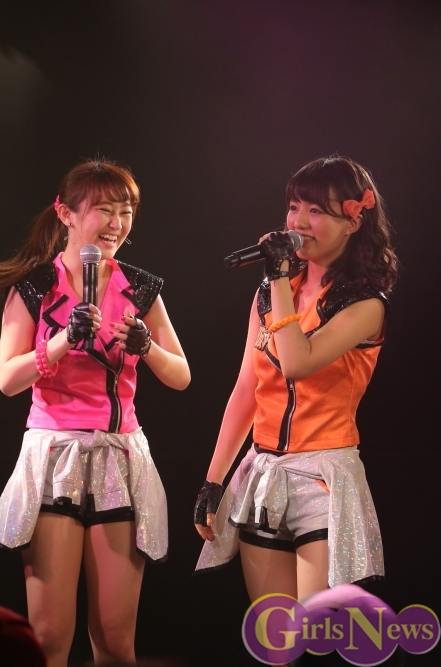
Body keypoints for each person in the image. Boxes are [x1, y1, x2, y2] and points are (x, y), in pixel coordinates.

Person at [0, 159, 190, 666]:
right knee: (49, 637)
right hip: (55, 455)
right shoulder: (35, 285)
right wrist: (62, 339)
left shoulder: (140, 288)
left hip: (119, 455)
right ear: (66, 213)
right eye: (104, 210)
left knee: (115, 639)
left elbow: (180, 374)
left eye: (126, 211)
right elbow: (8, 379)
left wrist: (146, 347)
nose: (116, 223)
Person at [193, 156, 398, 607]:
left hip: (324, 478)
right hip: (263, 472)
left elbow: (296, 363)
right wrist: (214, 480)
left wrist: (278, 277)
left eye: (316, 210)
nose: (298, 222)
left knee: (316, 631)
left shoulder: (366, 304)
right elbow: (247, 388)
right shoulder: (270, 292)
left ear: (353, 222)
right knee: (276, 633)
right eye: (293, 207)